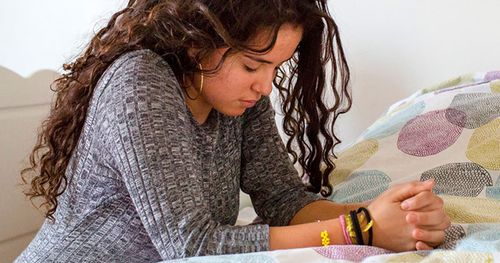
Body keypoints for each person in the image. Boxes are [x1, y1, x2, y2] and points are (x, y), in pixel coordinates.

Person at [17, 0, 450, 262]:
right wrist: (360, 230)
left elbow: (283, 203)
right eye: (251, 65)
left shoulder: (237, 99)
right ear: (197, 40)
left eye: (275, 67)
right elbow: (191, 247)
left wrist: (395, 216)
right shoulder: (140, 85)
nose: (265, 86)